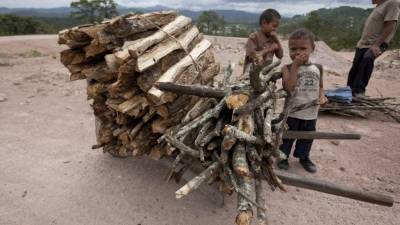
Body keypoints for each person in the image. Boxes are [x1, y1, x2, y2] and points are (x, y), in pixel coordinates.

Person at [277, 28, 327, 173]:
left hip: (311, 113)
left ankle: (304, 157)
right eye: (293, 49)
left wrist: (322, 96)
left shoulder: (318, 68)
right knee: (286, 137)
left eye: (303, 48)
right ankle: (283, 156)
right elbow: (288, 88)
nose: (297, 52)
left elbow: (321, 86)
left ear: (313, 48)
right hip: (291, 113)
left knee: (307, 137)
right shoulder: (287, 68)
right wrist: (295, 66)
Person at [347, 0, 400, 97]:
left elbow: (390, 26)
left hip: (375, 44)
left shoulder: (393, 2)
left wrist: (376, 44)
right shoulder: (379, 5)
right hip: (363, 44)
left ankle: (359, 93)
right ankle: (349, 93)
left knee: (366, 60)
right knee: (354, 70)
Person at [243, 8, 283, 74]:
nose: (275, 29)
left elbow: (280, 55)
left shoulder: (272, 38)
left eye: (277, 27)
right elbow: (253, 57)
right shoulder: (254, 37)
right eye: (274, 26)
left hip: (266, 72)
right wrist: (269, 49)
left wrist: (277, 40)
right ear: (264, 23)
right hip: (252, 74)